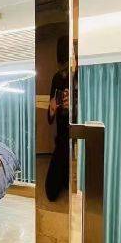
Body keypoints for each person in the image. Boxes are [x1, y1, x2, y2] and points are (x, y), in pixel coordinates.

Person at [45, 36, 70, 202]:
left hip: (79, 133)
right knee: (51, 192)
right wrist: (52, 109)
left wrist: (74, 105)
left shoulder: (83, 75)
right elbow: (50, 117)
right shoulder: (57, 78)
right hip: (62, 136)